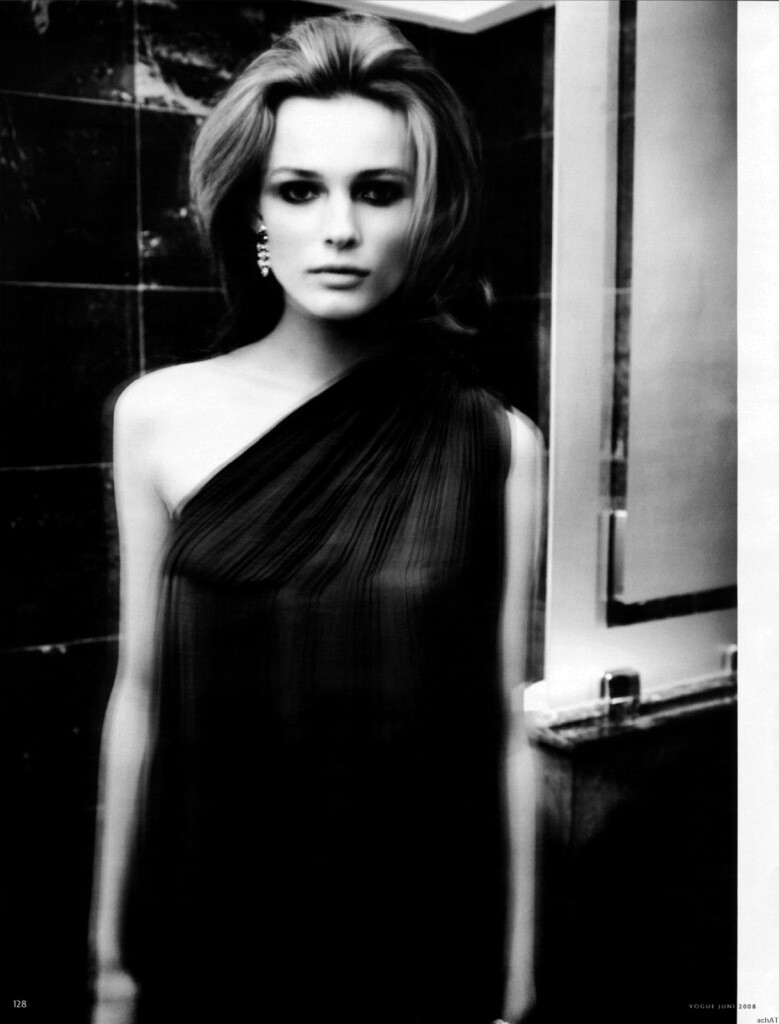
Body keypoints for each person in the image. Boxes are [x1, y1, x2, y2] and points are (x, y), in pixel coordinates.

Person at [90, 12, 543, 1024]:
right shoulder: (158, 416)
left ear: (424, 213)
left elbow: (501, 730)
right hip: (209, 931)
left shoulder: (497, 444)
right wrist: (111, 961)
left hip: (416, 942)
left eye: (377, 191)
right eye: (299, 190)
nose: (339, 228)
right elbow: (140, 696)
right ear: (254, 215)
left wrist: (517, 977)